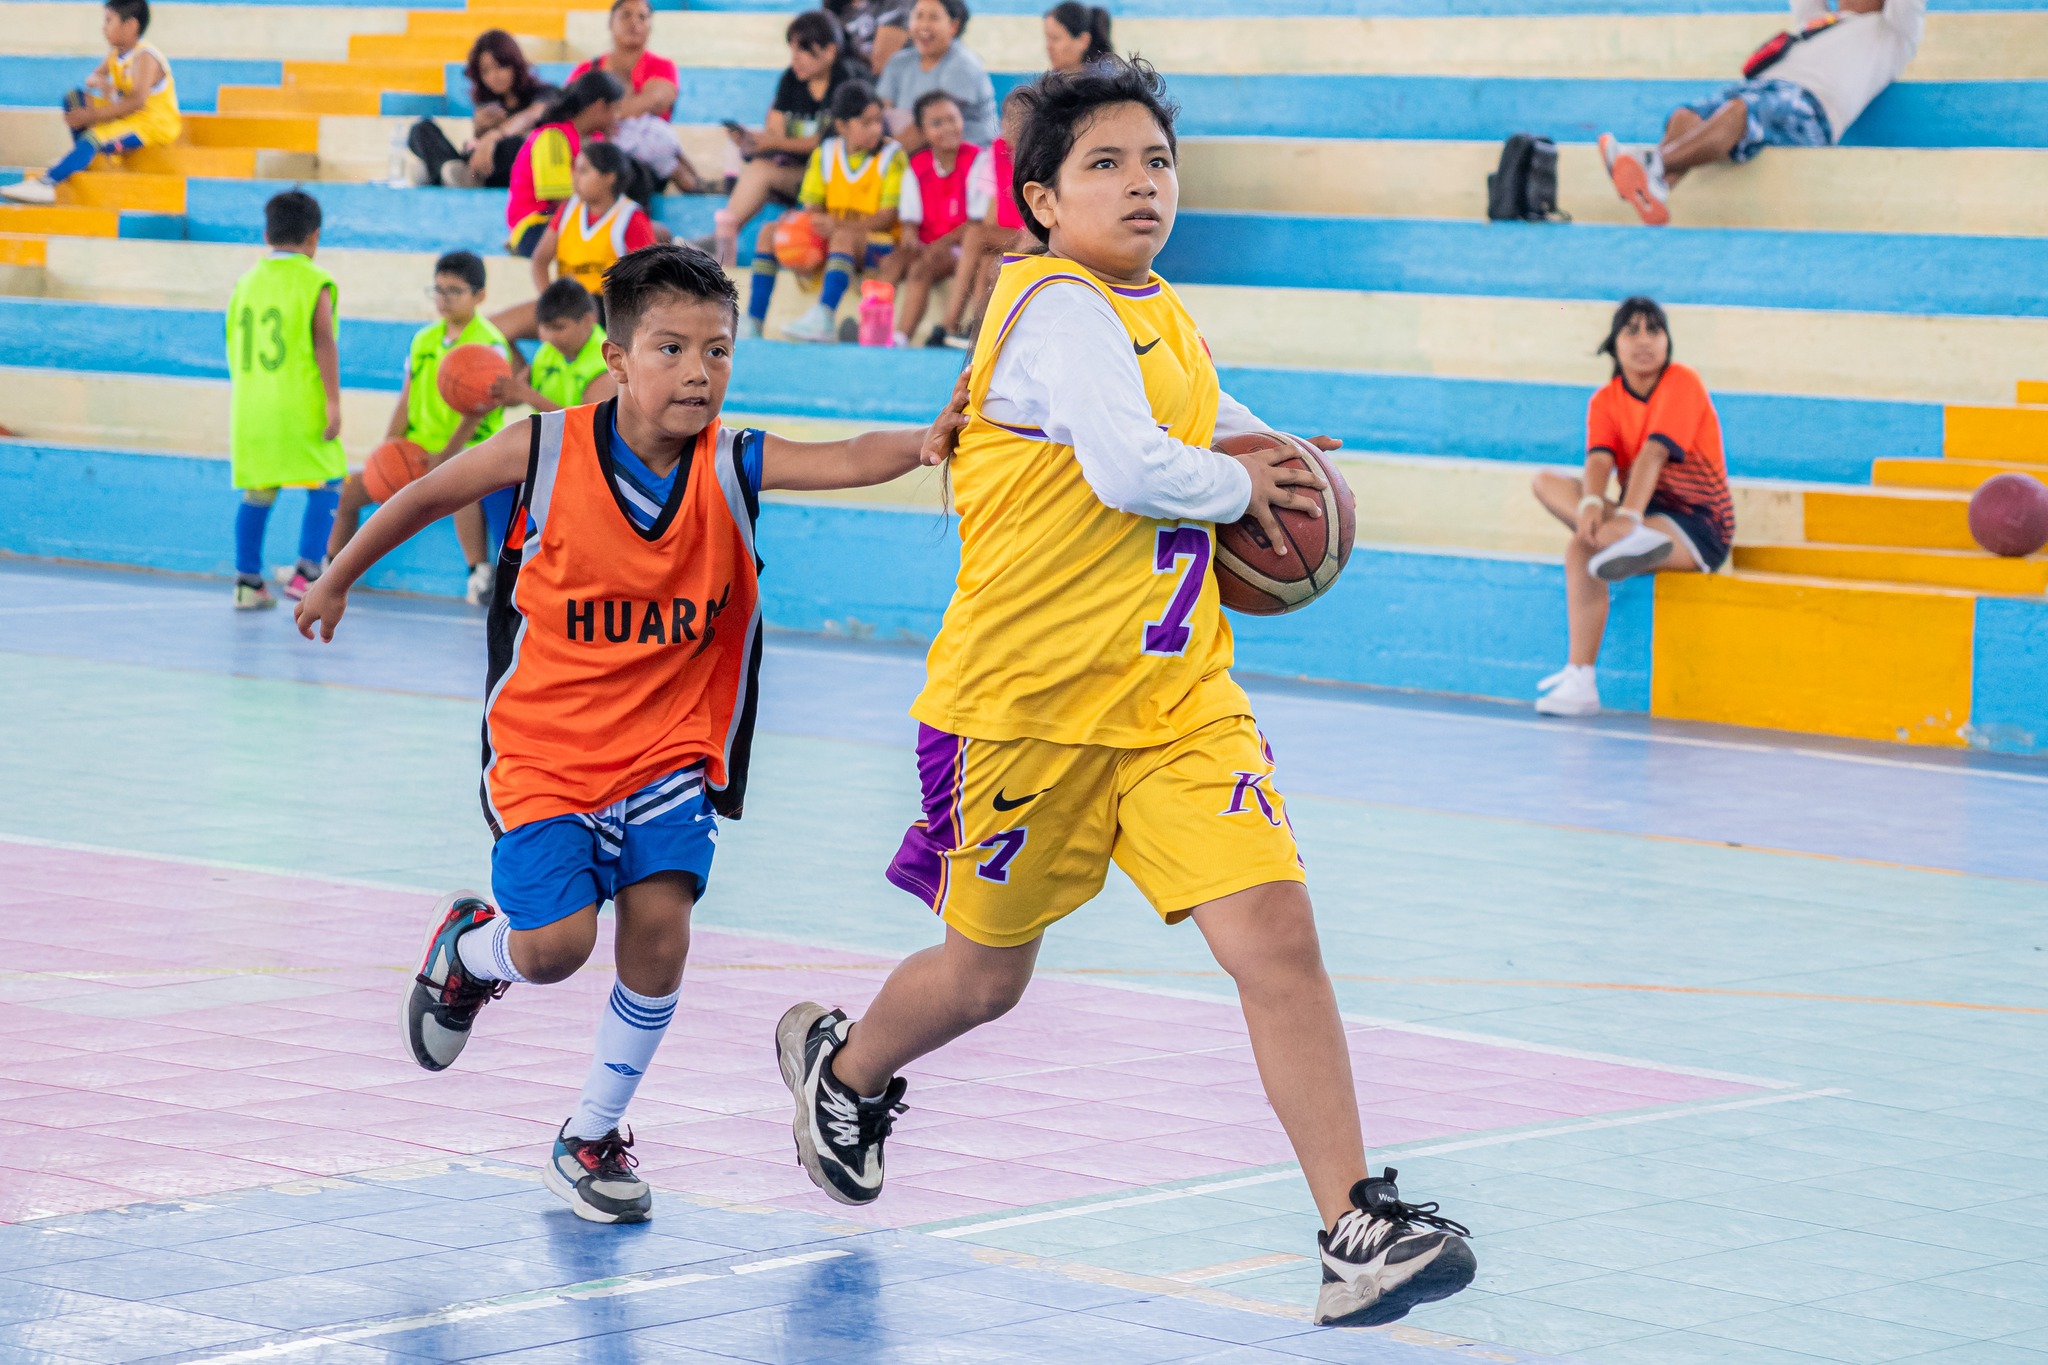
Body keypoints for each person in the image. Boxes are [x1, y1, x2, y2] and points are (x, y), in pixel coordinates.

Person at [771, 57, 1477, 1330]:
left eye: (1155, 161)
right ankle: (846, 1064)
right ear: (1039, 200)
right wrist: (1243, 489)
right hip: (1024, 709)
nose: (1140, 183)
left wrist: (1298, 462)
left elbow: (1211, 424)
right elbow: (1127, 463)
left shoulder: (1158, 315)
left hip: (1172, 700)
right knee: (986, 980)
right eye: (1104, 164)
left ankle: (1351, 1225)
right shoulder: (1052, 311)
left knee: (1276, 935)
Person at [292, 244, 963, 1226]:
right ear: (615, 358)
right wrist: (337, 574)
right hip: (546, 746)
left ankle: (589, 1134)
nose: (698, 370)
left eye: (718, 351)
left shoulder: (732, 463)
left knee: (658, 940)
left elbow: (845, 457)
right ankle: (470, 956)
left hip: (667, 752)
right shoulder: (544, 448)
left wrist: (921, 441)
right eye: (670, 348)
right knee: (556, 948)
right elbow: (424, 493)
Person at [1530, 298, 1735, 717]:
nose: (1644, 341)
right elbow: (1600, 459)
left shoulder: (1682, 382)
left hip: (1698, 527)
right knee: (1550, 491)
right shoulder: (1605, 400)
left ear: (1667, 341)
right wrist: (1590, 504)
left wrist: (1625, 518)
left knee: (1585, 546)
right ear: (1614, 344)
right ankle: (1581, 680)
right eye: (1632, 330)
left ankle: (1626, 539)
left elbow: (1653, 454)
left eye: (1654, 330)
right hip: (1642, 520)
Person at [1597, 0, 1925, 226]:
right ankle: (1656, 185)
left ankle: (1655, 163)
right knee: (1685, 116)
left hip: (1811, 109)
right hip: (1763, 88)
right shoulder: (1818, 21)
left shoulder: (1893, 34)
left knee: (1741, 112)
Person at [328, 251, 518, 605]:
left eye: (454, 291)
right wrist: (387, 447)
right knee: (352, 490)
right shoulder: (423, 340)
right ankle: (332, 572)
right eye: (439, 290)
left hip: (469, 446)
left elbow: (477, 410)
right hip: (417, 449)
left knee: (463, 487)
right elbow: (405, 399)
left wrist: (445, 456)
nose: (443, 299)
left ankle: (478, 573)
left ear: (479, 296)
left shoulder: (490, 343)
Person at [224, 191, 343, 610]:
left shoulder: (245, 282)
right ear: (314, 237)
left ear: (266, 234)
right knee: (329, 481)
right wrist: (332, 402)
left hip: (251, 407)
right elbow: (323, 340)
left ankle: (247, 581)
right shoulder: (314, 280)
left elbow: (231, 343)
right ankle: (307, 573)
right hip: (298, 404)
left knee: (258, 493)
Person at [748, 81, 903, 344]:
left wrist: (838, 226)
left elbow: (887, 216)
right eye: (866, 123)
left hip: (879, 243)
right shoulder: (825, 153)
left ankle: (824, 317)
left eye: (878, 121)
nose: (875, 129)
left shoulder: (892, 154)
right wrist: (812, 224)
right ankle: (753, 322)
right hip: (835, 235)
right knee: (768, 233)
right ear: (842, 125)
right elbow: (812, 205)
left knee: (842, 236)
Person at [710, 10, 858, 267]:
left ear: (830, 51)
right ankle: (719, 241)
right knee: (758, 169)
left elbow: (827, 144)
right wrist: (752, 143)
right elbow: (775, 131)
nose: (795, 58)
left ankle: (714, 245)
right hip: (798, 175)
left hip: (837, 181)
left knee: (763, 172)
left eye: (803, 50)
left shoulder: (847, 83)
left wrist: (770, 143)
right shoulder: (791, 79)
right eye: (792, 49)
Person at [3, 0, 179, 205]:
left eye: (109, 21)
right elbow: (93, 77)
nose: (103, 28)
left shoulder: (145, 56)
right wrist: (102, 83)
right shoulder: (116, 54)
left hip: (151, 125)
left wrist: (92, 116)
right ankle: (83, 158)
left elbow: (137, 102)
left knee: (94, 137)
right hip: (128, 118)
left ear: (130, 26)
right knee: (74, 99)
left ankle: (47, 183)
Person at [495, 143, 657, 341]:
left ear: (609, 177)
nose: (574, 177)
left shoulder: (631, 218)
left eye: (583, 171)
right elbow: (540, 260)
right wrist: (550, 299)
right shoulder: (568, 209)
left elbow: (648, 280)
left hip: (608, 309)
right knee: (494, 332)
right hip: (568, 302)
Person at [566, 0, 707, 198]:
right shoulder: (585, 69)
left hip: (647, 167)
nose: (634, 22)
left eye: (642, 17)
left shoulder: (662, 66)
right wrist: (638, 103)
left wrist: (599, 113)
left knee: (630, 172)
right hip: (592, 159)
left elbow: (658, 101)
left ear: (650, 26)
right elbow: (569, 114)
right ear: (610, 23)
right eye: (626, 15)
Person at [931, 85, 1029, 347]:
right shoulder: (995, 156)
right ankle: (968, 328)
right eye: (1007, 118)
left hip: (1032, 235)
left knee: (977, 237)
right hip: (1007, 235)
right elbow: (991, 218)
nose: (1010, 126)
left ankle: (954, 324)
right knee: (985, 256)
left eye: (1019, 119)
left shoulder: (1041, 158)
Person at [408, 31, 558, 190]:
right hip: (479, 165)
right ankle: (448, 170)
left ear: (514, 64)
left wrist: (495, 134)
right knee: (421, 130)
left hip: (515, 163)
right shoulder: (488, 103)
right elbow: (479, 150)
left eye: (500, 67)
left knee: (517, 145)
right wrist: (480, 129)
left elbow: (533, 114)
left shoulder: (544, 92)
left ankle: (438, 173)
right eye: (486, 71)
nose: (494, 76)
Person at [886, 91, 979, 347]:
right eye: (937, 123)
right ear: (923, 132)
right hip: (928, 246)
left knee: (921, 268)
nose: (948, 128)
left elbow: (976, 223)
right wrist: (909, 241)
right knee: (893, 261)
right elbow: (909, 223)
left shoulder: (976, 160)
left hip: (959, 249)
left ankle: (901, 336)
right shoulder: (917, 165)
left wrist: (937, 246)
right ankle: (872, 324)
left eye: (953, 119)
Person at [505, 69, 622, 257]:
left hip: (576, 219)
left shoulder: (597, 140)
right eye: (615, 109)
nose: (618, 117)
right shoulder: (553, 137)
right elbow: (560, 201)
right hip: (536, 225)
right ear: (600, 106)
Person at [876, 0, 997, 152]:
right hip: (917, 160)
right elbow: (877, 114)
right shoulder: (898, 62)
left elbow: (933, 124)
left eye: (933, 17)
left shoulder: (963, 65)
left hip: (968, 162)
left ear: (953, 26)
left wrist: (884, 160)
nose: (924, 25)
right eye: (919, 16)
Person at [490, 280, 618, 415]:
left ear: (587, 320)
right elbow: (518, 394)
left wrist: (527, 395)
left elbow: (587, 424)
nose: (550, 337)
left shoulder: (607, 362)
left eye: (559, 327)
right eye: (545, 327)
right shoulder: (548, 351)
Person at [825, 0, 909, 75]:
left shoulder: (893, 4)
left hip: (875, 83)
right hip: (847, 80)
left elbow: (882, 66)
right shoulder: (836, 9)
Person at [1043, 2, 1111, 73]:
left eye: (1055, 38)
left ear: (1084, 40)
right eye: (1048, 38)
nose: (1049, 47)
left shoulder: (1106, 80)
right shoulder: (1051, 80)